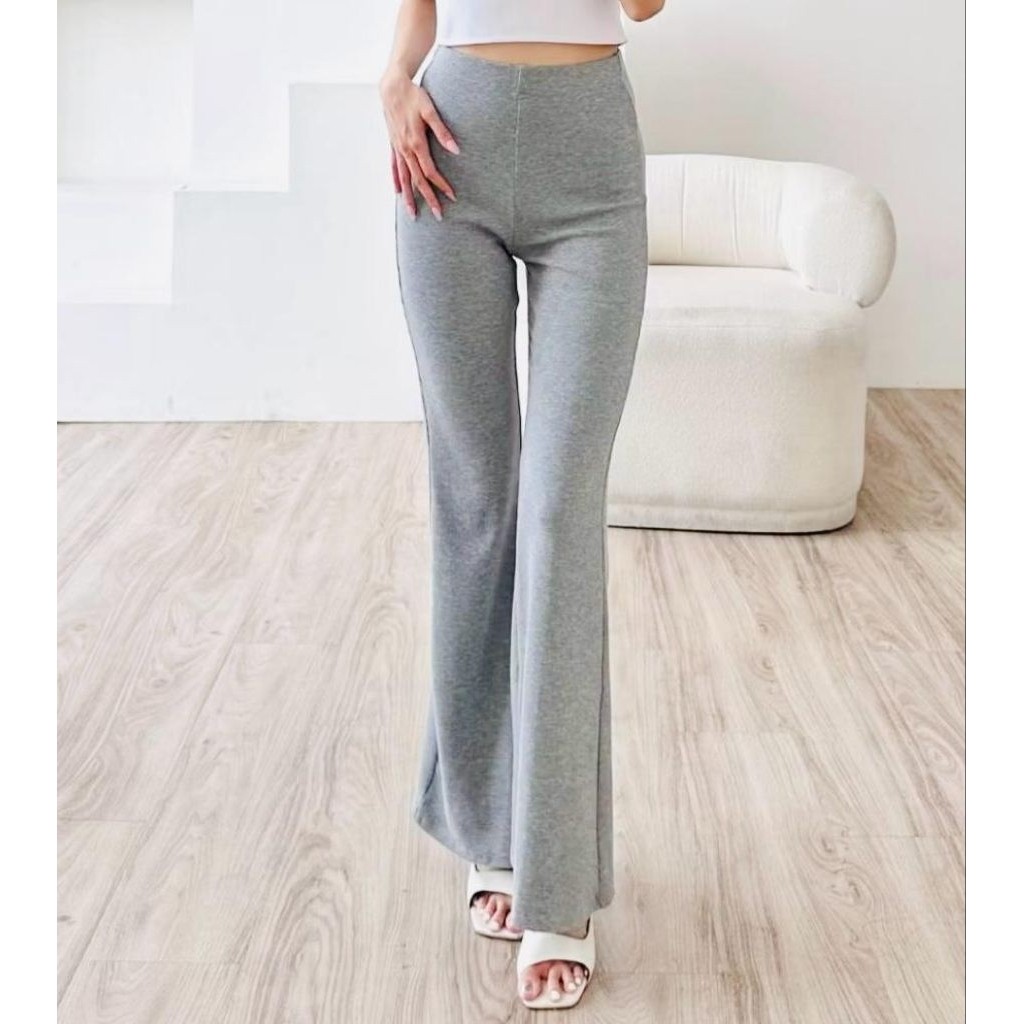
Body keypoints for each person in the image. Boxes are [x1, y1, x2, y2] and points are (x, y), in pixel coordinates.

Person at [379, 0, 665, 1010]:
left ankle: (558, 883)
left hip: (590, 156)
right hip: (448, 137)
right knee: (477, 507)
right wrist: (393, 80)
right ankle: (489, 834)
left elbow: (643, 5)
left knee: (557, 512)